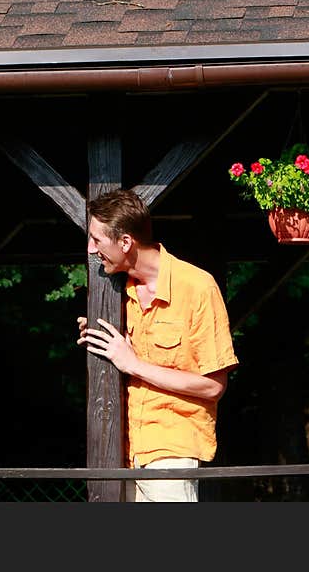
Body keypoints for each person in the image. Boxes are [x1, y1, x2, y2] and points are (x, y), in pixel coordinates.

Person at [76, 189, 238, 502]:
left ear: (125, 242)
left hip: (172, 451)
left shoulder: (197, 287)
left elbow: (212, 387)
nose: (90, 248)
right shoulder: (115, 290)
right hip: (118, 450)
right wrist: (98, 336)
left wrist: (133, 364)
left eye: (96, 240)